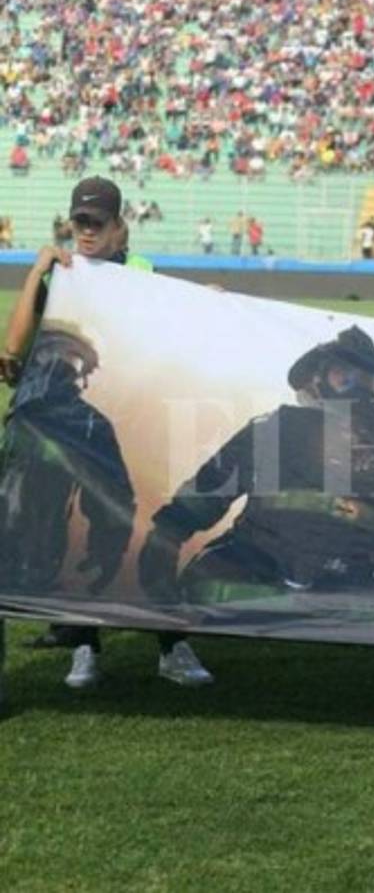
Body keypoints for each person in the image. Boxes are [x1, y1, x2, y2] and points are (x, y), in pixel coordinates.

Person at [0, 176, 214, 690]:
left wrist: (210, 305)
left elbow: (172, 333)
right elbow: (12, 351)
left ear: (120, 227)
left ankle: (170, 644)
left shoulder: (142, 274)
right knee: (58, 528)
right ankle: (83, 643)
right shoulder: (61, 274)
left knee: (141, 521)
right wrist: (36, 275)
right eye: (80, 221)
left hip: (132, 418)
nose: (88, 231)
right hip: (60, 424)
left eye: (98, 222)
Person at [137, 326, 374, 627]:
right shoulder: (274, 429)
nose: (358, 388)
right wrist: (163, 541)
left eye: (368, 380)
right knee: (214, 579)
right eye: (345, 376)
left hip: (362, 585)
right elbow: (208, 491)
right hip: (261, 575)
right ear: (315, 381)